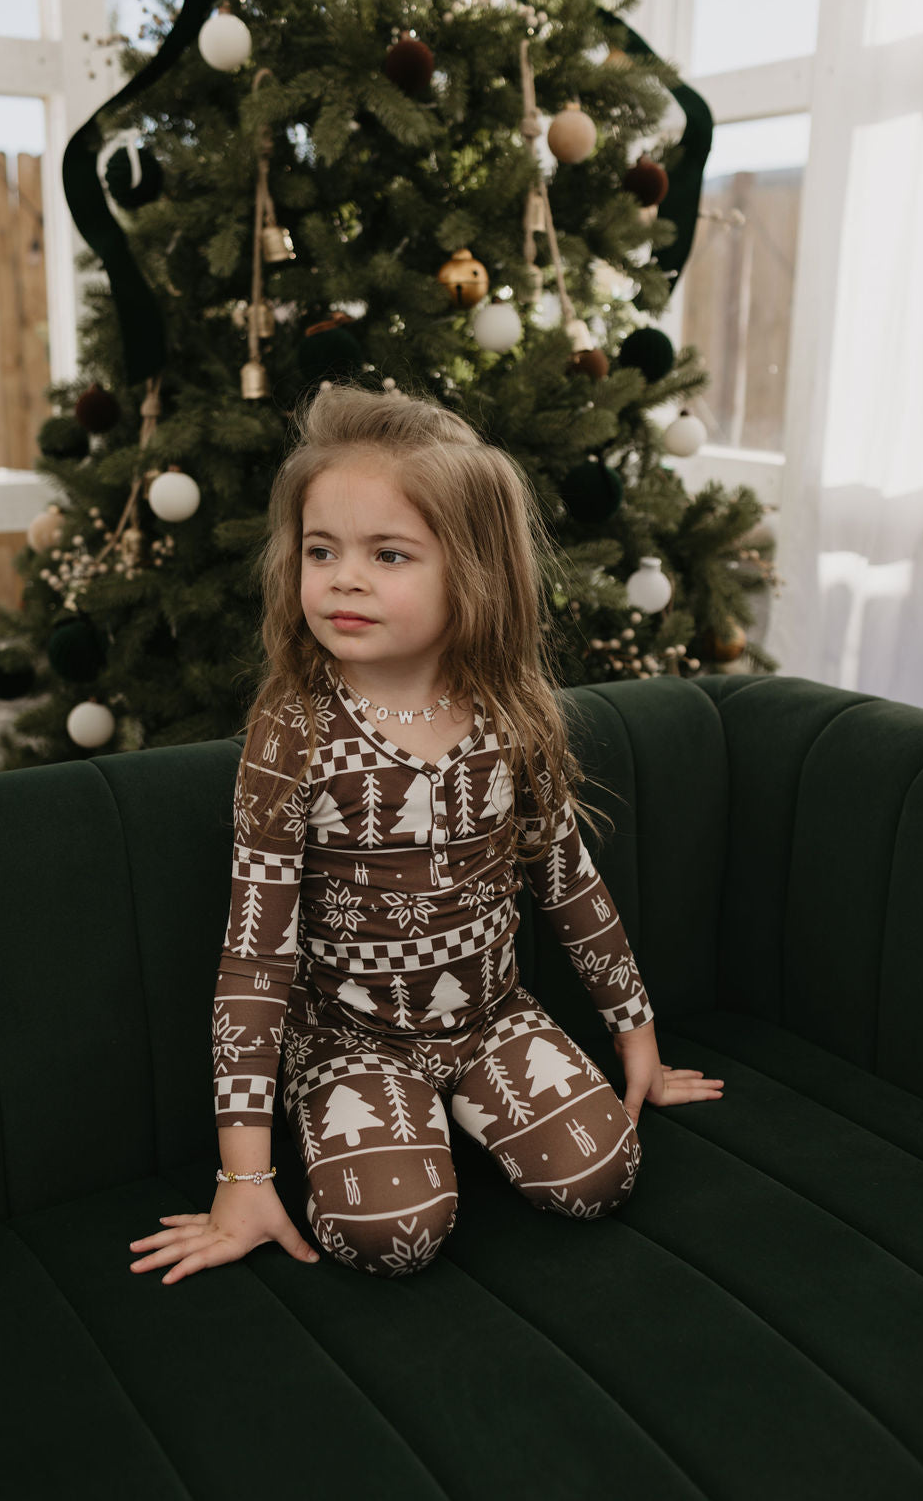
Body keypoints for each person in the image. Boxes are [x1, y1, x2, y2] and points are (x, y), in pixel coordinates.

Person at [130, 382, 723, 1284]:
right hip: (348, 1036)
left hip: (491, 1017)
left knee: (603, 1175)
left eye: (390, 553)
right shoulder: (294, 731)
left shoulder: (512, 713)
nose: (344, 578)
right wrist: (244, 1177)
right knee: (392, 1235)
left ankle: (456, 1110)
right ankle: (394, 1123)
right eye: (320, 549)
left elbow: (568, 880)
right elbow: (256, 960)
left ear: (474, 573)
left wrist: (638, 1043)